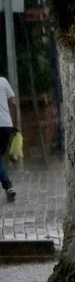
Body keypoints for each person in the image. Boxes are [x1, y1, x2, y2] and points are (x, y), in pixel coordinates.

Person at [0, 74, 17, 202]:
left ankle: (8, 185)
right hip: (6, 125)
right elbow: (13, 103)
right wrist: (15, 123)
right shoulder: (3, 81)